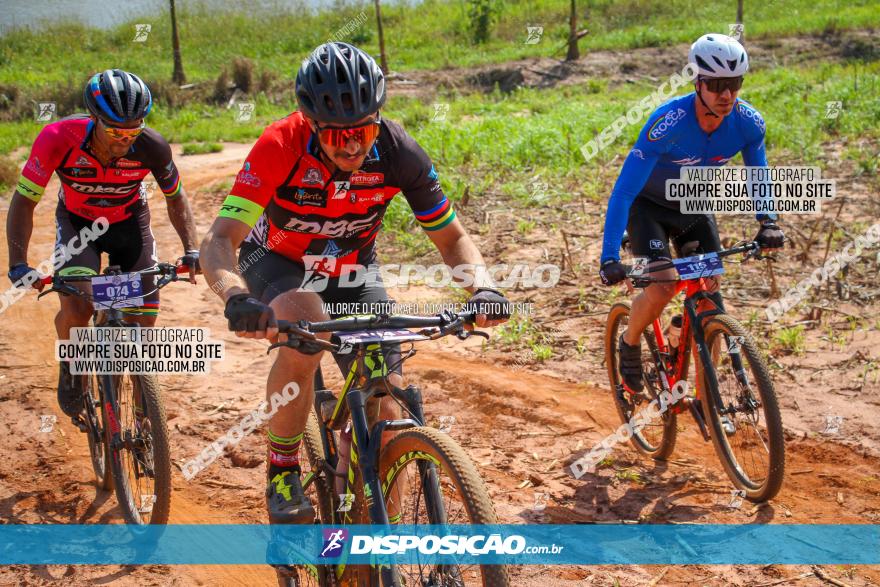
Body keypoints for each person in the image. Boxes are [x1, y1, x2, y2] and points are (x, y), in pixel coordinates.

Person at [201, 42, 510, 524]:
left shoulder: (397, 150)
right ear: (312, 125)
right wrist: (235, 295)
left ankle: (371, 535)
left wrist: (483, 288)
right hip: (277, 260)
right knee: (308, 333)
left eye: (362, 130)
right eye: (338, 135)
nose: (352, 146)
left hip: (351, 268)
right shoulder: (279, 145)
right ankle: (281, 470)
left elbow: (452, 239)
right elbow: (221, 240)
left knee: (389, 405)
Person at [5, 69, 200, 417]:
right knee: (78, 307)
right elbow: (24, 201)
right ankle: (72, 366)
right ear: (93, 119)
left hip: (130, 224)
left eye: (132, 130)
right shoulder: (57, 138)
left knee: (143, 316)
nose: (124, 139)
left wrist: (192, 249)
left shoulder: (152, 146)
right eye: (114, 130)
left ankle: (143, 404)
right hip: (79, 226)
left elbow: (176, 198)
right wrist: (18, 262)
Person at [597, 34, 785, 393]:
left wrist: (768, 221)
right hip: (648, 206)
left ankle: (706, 398)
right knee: (664, 284)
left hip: (693, 204)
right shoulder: (666, 123)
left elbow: (757, 174)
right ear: (698, 83)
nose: (726, 95)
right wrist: (608, 257)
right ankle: (631, 341)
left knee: (710, 297)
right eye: (716, 85)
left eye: (733, 84)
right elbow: (623, 191)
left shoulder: (748, 123)